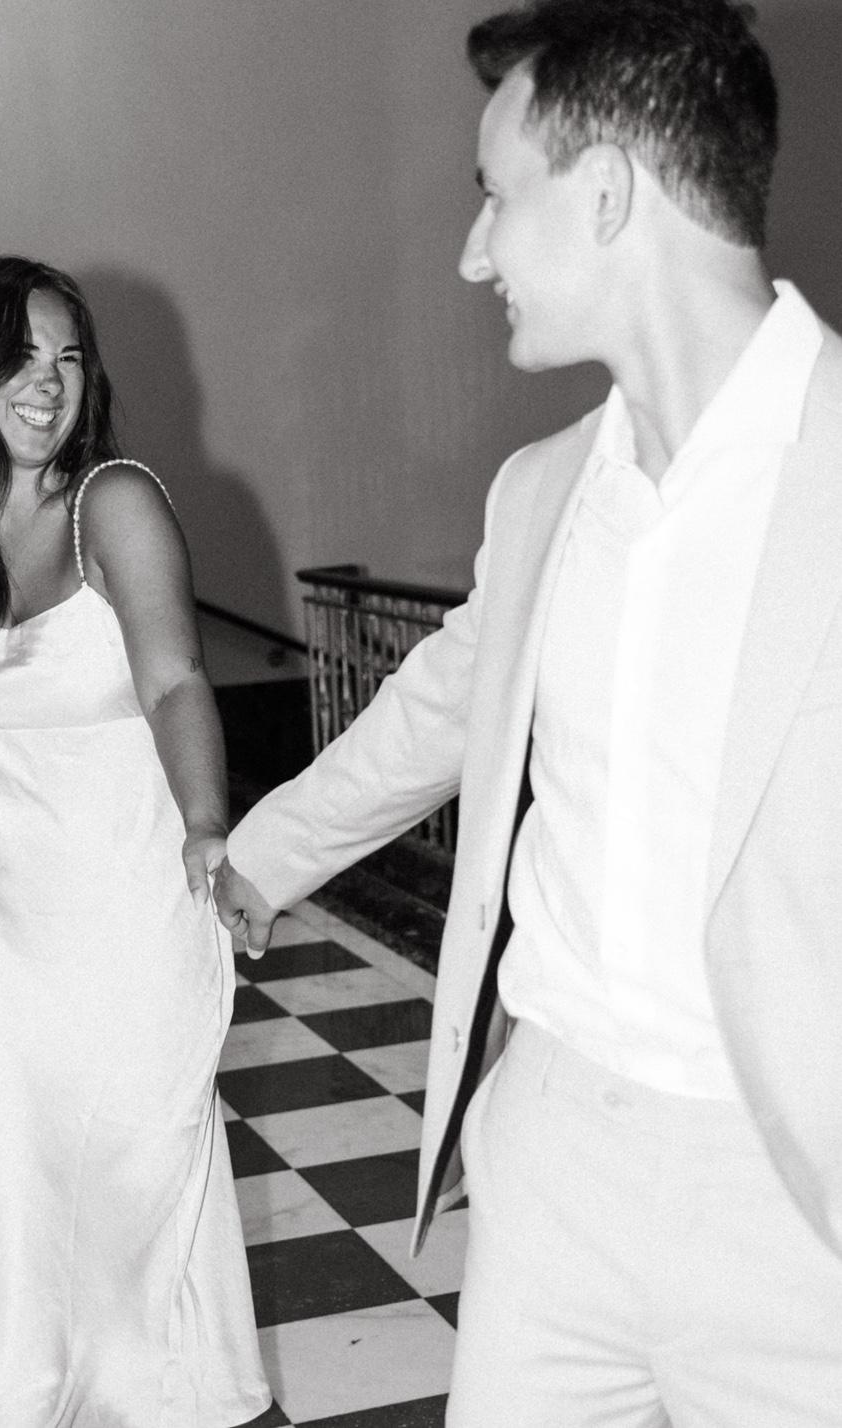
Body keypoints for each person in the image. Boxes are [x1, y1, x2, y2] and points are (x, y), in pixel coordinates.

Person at [214, 2, 842, 1423]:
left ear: (607, 192)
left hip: (798, 1198)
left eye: (496, 196)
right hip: (552, 1159)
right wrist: (256, 860)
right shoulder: (544, 490)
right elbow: (439, 710)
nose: (472, 250)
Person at [0, 255, 270, 1426]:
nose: (49, 383)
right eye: (22, 357)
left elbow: (177, 680)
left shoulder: (115, 504)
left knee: (135, 1182)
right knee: (14, 1203)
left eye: (70, 358)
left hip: (131, 913)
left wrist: (206, 824)